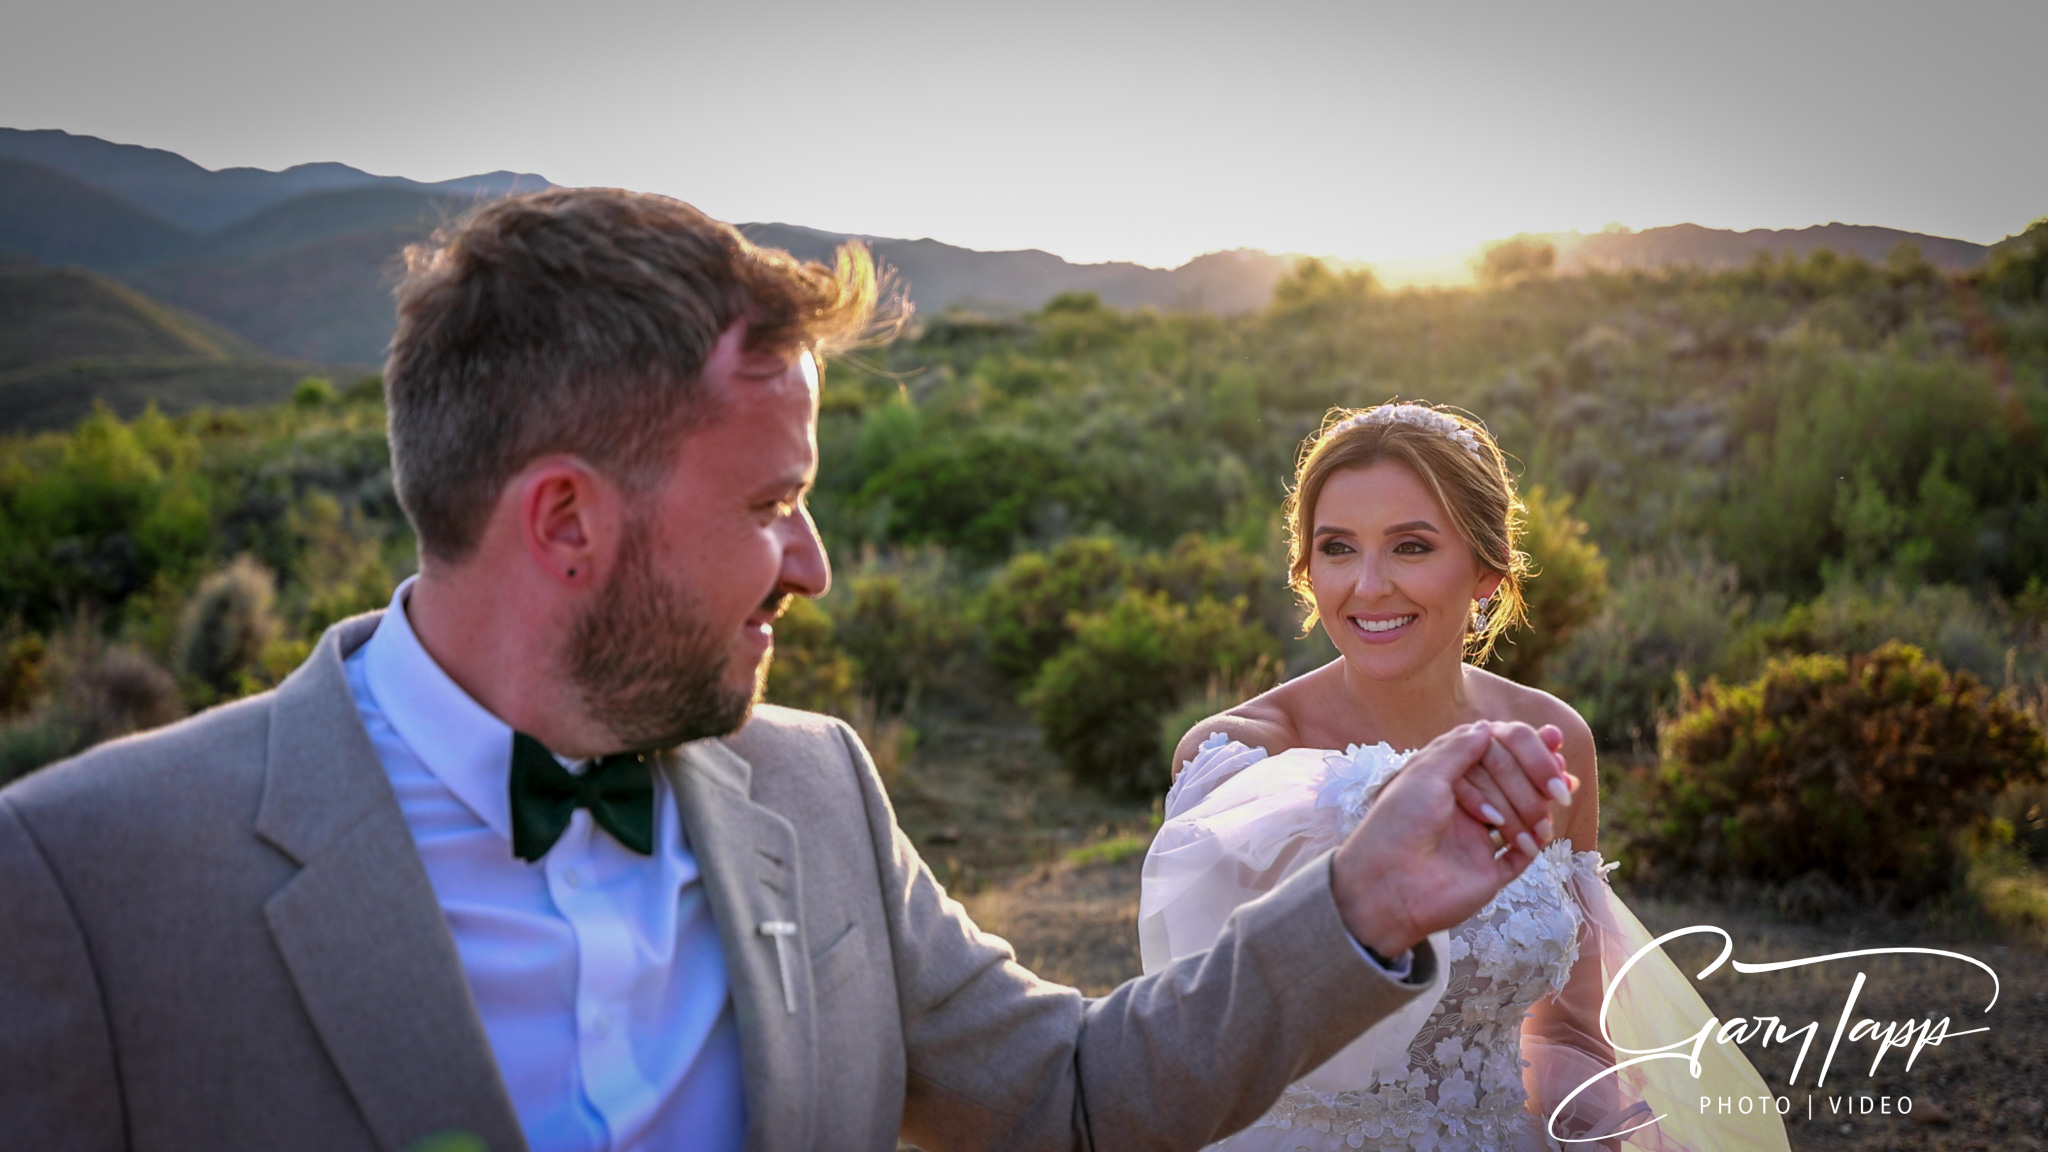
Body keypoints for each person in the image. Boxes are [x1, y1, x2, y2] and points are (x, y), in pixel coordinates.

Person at [0, 189, 1575, 1152]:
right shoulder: (86, 881)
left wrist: (1358, 905)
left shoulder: (813, 790)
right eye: (769, 505)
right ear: (565, 523)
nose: (816, 563)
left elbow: (1079, 1106)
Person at [1139, 402, 1792, 1152]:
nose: (1369, 585)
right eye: (1338, 548)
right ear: (1306, 568)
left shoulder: (1554, 740)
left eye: (1411, 546)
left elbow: (1579, 1024)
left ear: (1486, 569)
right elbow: (1199, 1034)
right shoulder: (1240, 759)